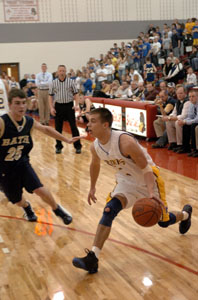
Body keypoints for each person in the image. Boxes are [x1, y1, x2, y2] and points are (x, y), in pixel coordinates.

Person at [72, 108, 192, 274]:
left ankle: (185, 215)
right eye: (88, 120)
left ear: (106, 124)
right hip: (126, 182)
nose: (88, 124)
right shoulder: (95, 146)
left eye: (93, 121)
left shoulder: (125, 142)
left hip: (148, 180)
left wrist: (150, 193)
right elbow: (95, 164)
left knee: (163, 222)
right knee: (109, 210)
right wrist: (92, 187)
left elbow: (147, 169)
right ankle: (93, 258)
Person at [0, 89, 84, 224]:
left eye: (23, 103)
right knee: (17, 200)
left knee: (40, 189)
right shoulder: (3, 122)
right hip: (4, 170)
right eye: (17, 103)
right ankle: (27, 207)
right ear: (10, 105)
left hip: (22, 163)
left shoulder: (28, 121)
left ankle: (58, 210)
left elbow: (46, 129)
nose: (21, 106)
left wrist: (66, 140)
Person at [49, 65, 82, 154]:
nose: (62, 72)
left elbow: (76, 94)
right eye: (60, 71)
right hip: (58, 106)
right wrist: (51, 107)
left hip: (69, 106)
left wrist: (76, 105)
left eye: (63, 71)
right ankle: (58, 146)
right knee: (58, 128)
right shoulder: (53, 82)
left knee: (73, 127)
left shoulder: (71, 82)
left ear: (65, 71)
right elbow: (50, 95)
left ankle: (78, 146)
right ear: (58, 72)